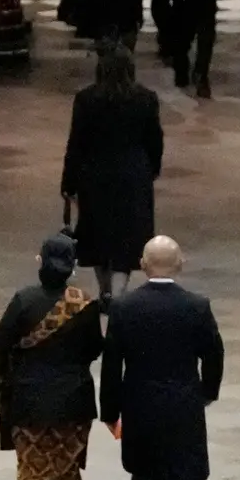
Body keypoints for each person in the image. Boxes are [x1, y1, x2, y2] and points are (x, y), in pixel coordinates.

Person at [98, 236, 223, 480]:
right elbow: (214, 354)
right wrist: (207, 392)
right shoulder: (197, 306)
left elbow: (112, 364)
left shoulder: (124, 307)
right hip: (183, 404)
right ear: (180, 264)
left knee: (143, 471)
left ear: (142, 264)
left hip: (139, 403)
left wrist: (110, 410)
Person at [0, 232, 108, 480]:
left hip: (29, 404)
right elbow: (95, 349)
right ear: (72, 268)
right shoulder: (83, 303)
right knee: (65, 470)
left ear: (40, 261)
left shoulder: (23, 300)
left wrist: (15, 372)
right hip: (73, 404)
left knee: (32, 473)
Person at [62, 43, 165, 293]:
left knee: (98, 234)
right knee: (127, 235)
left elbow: (76, 143)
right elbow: (155, 141)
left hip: (95, 173)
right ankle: (118, 291)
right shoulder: (146, 99)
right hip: (133, 173)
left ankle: (105, 289)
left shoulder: (86, 99)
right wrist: (151, 170)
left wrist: (69, 183)